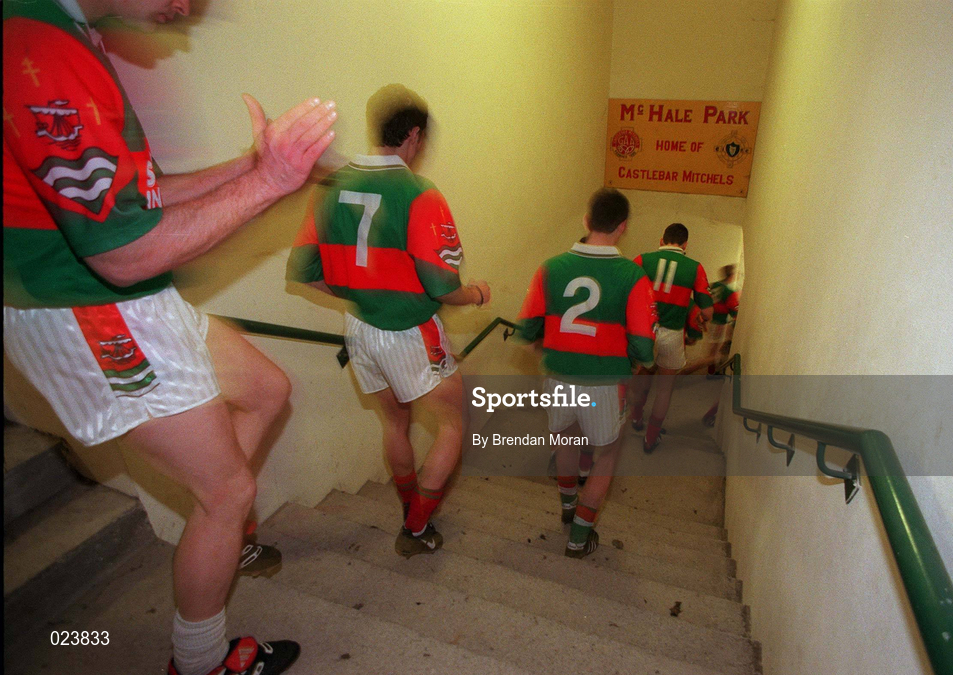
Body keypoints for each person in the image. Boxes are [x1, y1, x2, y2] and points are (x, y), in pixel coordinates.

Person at [3, 1, 337, 673]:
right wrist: (271, 183)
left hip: (129, 302)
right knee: (229, 492)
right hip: (93, 311)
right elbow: (123, 253)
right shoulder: (37, 44)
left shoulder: (63, 30)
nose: (188, 7)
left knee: (269, 390)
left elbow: (139, 196)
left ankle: (216, 524)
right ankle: (201, 658)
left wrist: (253, 167)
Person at [287, 84, 489, 559]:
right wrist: (477, 294)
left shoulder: (333, 186)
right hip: (410, 332)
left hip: (359, 331)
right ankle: (416, 528)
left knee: (395, 425)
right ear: (413, 135)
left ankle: (407, 510)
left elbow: (302, 272)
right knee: (455, 423)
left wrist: (361, 293)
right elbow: (442, 286)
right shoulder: (419, 193)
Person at [517, 188, 656, 558]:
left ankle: (566, 506)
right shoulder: (633, 276)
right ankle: (579, 536)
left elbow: (527, 328)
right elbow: (644, 345)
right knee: (606, 455)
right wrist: (633, 364)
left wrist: (547, 355)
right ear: (623, 228)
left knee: (565, 440)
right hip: (605, 384)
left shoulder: (549, 268)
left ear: (586, 221)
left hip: (559, 376)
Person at [628, 223, 714, 453]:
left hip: (643, 330)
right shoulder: (695, 268)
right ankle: (650, 438)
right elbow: (707, 312)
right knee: (665, 389)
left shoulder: (641, 260)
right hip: (671, 333)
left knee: (642, 375)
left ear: (661, 240)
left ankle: (635, 418)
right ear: (685, 245)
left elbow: (626, 293)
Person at [706, 264, 740, 379]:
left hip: (711, 319)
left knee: (712, 348)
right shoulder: (728, 290)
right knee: (716, 350)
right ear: (731, 275)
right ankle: (711, 372)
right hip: (720, 321)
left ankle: (712, 371)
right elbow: (732, 308)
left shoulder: (714, 285)